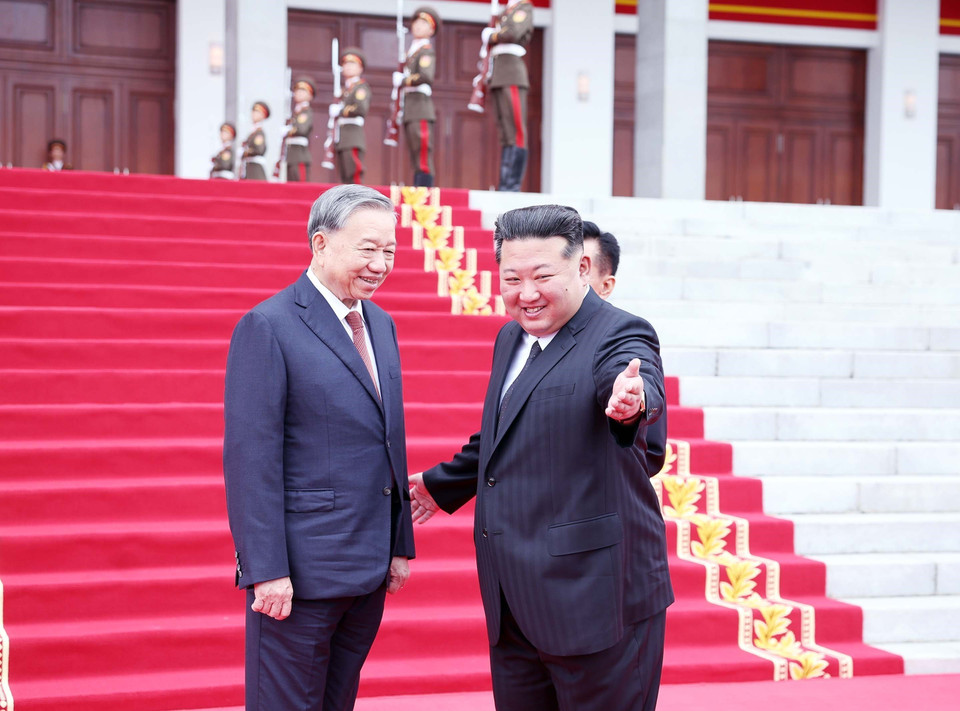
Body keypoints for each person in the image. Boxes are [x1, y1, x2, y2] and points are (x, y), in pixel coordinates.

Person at [409, 204, 673, 711]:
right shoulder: (512, 337)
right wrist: (441, 485)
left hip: (598, 596)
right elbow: (506, 432)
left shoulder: (619, 333)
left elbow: (633, 383)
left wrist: (631, 405)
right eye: (511, 278)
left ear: (581, 270)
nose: (526, 294)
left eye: (542, 276)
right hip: (514, 600)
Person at [223, 184, 415, 711]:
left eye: (390, 251)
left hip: (368, 568)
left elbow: (387, 438)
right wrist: (266, 570)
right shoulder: (269, 326)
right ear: (321, 243)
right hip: (299, 577)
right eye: (367, 249)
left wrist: (399, 544)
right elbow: (251, 460)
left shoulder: (380, 323)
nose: (380, 264)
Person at [582, 221, 668, 477]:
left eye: (582, 268)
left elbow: (651, 451)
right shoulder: (518, 335)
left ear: (606, 285)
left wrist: (633, 405)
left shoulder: (624, 334)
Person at [483, 0, 533, 191]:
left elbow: (512, 33)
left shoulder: (523, 8)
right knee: (505, 132)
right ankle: (505, 182)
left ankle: (512, 185)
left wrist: (493, 35)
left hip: (512, 72)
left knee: (516, 131)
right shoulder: (506, 11)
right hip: (499, 74)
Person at [395, 6, 439, 187]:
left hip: (420, 107)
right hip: (410, 107)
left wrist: (404, 80)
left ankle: (425, 191)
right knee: (415, 153)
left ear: (431, 30)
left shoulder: (426, 51)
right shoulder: (412, 52)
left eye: (424, 23)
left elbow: (426, 76)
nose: (418, 26)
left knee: (422, 153)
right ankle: (418, 189)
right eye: (416, 22)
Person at [332, 48, 371, 185]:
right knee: (345, 177)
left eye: (352, 64)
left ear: (360, 68)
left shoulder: (360, 88)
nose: (347, 67)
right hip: (342, 137)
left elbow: (360, 108)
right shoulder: (345, 90)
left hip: (352, 136)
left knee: (354, 174)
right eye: (345, 64)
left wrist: (341, 110)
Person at [285, 76, 315, 182]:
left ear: (310, 95)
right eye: (297, 91)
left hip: (299, 155)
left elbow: (301, 129)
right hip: (291, 155)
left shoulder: (305, 112)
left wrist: (289, 130)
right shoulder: (295, 113)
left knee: (300, 185)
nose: (299, 93)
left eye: (303, 91)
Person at [241, 101, 270, 180]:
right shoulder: (253, 133)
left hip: (255, 171)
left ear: (263, 115)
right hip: (249, 169)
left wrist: (245, 152)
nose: (253, 114)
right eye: (253, 111)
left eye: (257, 112)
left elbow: (258, 149)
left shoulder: (259, 133)